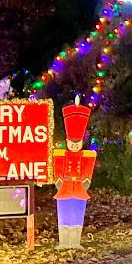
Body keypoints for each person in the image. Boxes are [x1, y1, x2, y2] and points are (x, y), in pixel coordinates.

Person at [53, 101, 97, 248]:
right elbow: (58, 166)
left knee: (77, 214)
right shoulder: (61, 154)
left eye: (77, 143)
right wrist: (58, 180)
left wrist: (86, 180)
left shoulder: (86, 155)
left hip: (79, 187)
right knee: (64, 214)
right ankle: (64, 242)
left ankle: (75, 242)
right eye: (71, 142)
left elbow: (87, 168)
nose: (74, 145)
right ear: (67, 141)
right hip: (65, 187)